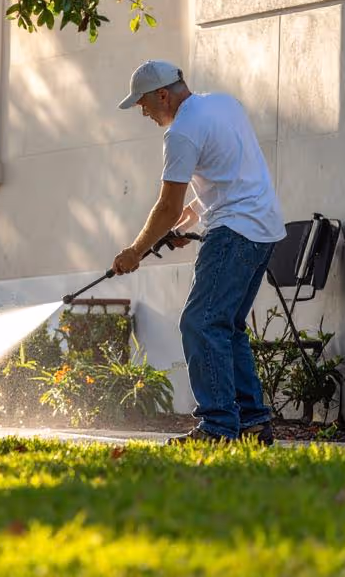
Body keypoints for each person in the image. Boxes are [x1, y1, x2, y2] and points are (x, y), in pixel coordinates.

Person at [112, 60, 286, 445]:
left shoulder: (180, 133)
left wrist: (135, 251)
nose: (142, 112)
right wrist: (186, 225)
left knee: (200, 323)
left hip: (235, 231)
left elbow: (167, 206)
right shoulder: (222, 104)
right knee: (226, 327)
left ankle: (218, 427)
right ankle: (253, 424)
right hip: (265, 228)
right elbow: (222, 180)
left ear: (162, 95)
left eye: (143, 103)